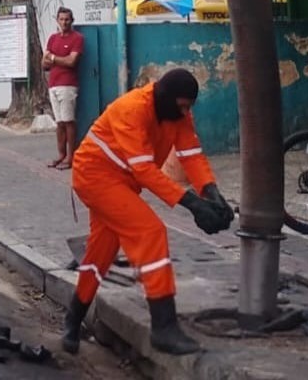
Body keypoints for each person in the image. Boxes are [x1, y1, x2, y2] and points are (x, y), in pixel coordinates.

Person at [60, 69, 235, 356]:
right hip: (95, 176)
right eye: (183, 106)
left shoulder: (177, 113)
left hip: (122, 182)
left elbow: (191, 154)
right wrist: (192, 204)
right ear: (166, 98)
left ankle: (73, 319)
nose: (187, 112)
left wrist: (212, 194)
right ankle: (163, 327)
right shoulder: (132, 109)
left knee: (101, 251)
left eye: (189, 106)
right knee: (149, 231)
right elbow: (144, 170)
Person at [43, 7, 83, 170]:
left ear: (72, 20)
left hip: (68, 85)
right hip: (53, 83)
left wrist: (53, 58)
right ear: (57, 20)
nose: (64, 22)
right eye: (61, 19)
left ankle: (71, 156)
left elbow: (71, 62)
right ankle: (61, 154)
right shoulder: (52, 38)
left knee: (68, 121)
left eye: (67, 19)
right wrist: (58, 59)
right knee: (59, 123)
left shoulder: (77, 38)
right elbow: (43, 63)